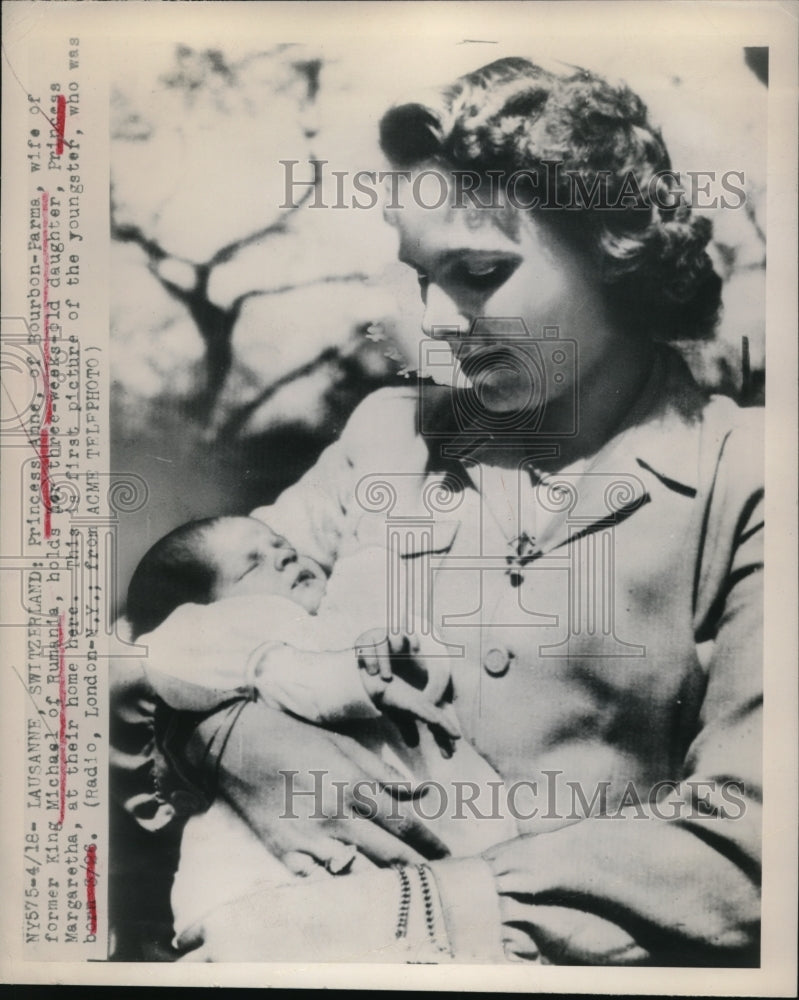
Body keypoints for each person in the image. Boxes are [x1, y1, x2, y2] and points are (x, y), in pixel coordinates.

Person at [132, 56, 762, 965]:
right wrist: (231, 736)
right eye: (420, 276)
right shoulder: (389, 437)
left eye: (477, 271)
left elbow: (752, 853)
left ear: (611, 247)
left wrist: (392, 919)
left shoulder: (747, 478)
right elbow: (174, 628)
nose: (436, 321)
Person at [112, 515, 519, 940]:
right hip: (263, 873)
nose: (285, 555)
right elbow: (285, 671)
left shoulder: (334, 614)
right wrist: (356, 677)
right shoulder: (226, 635)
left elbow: (402, 623)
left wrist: (401, 648)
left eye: (282, 543)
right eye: (252, 565)